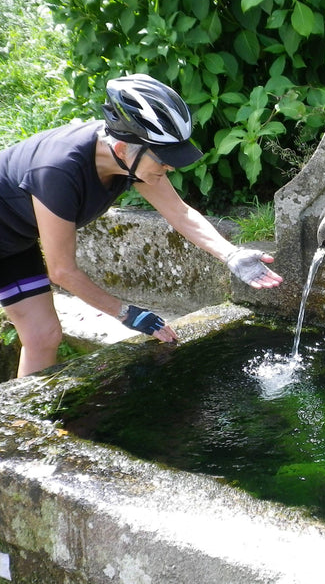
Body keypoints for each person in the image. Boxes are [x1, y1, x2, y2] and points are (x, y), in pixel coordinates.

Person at [0, 73, 283, 377]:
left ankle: (20, 421)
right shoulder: (58, 172)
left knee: (43, 336)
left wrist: (231, 255)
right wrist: (126, 314)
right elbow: (63, 271)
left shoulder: (129, 160)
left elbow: (180, 212)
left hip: (14, 242)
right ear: (122, 149)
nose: (171, 166)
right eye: (163, 159)